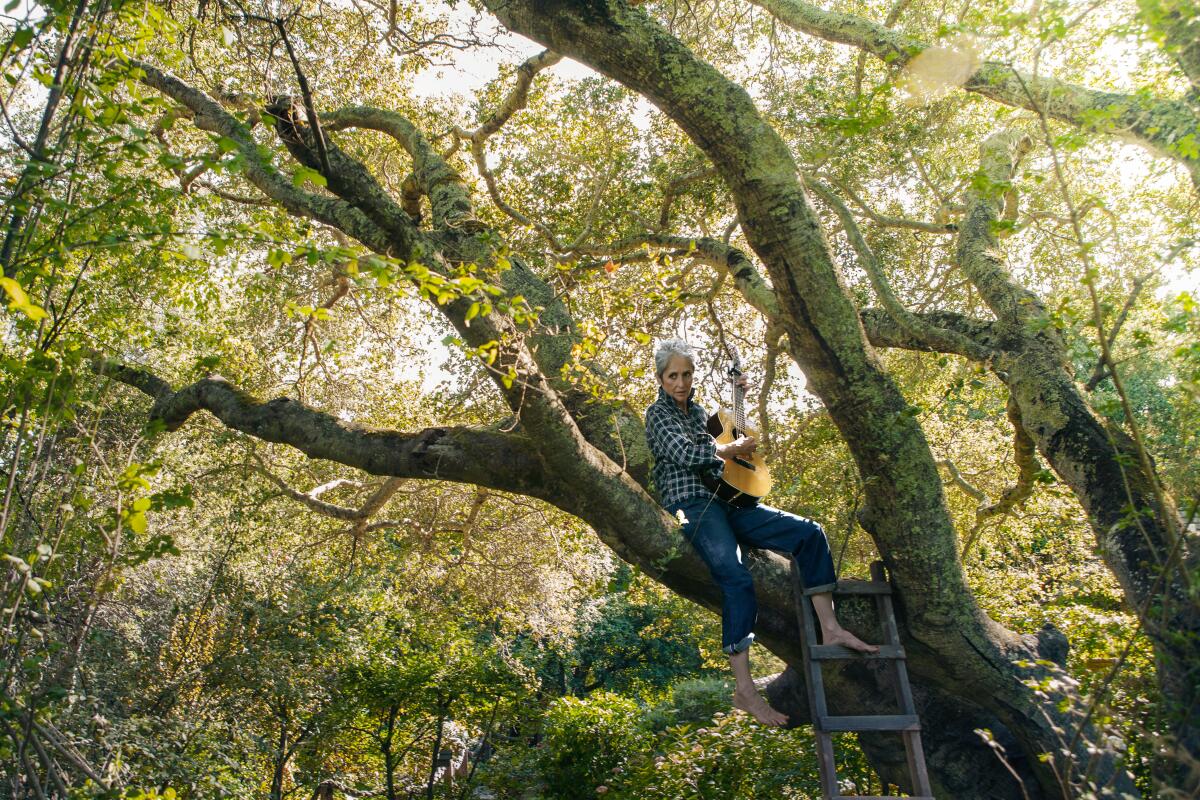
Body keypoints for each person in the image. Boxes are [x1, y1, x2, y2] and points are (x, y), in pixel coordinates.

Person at [644, 338, 876, 726]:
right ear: (661, 378)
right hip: (693, 504)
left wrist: (739, 400)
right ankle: (745, 690)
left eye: (686, 374)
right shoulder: (657, 414)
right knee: (735, 576)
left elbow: (735, 442)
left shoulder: (702, 412)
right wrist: (732, 449)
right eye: (673, 376)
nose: (681, 383)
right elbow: (688, 454)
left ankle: (831, 628)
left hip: (726, 499)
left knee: (809, 533)